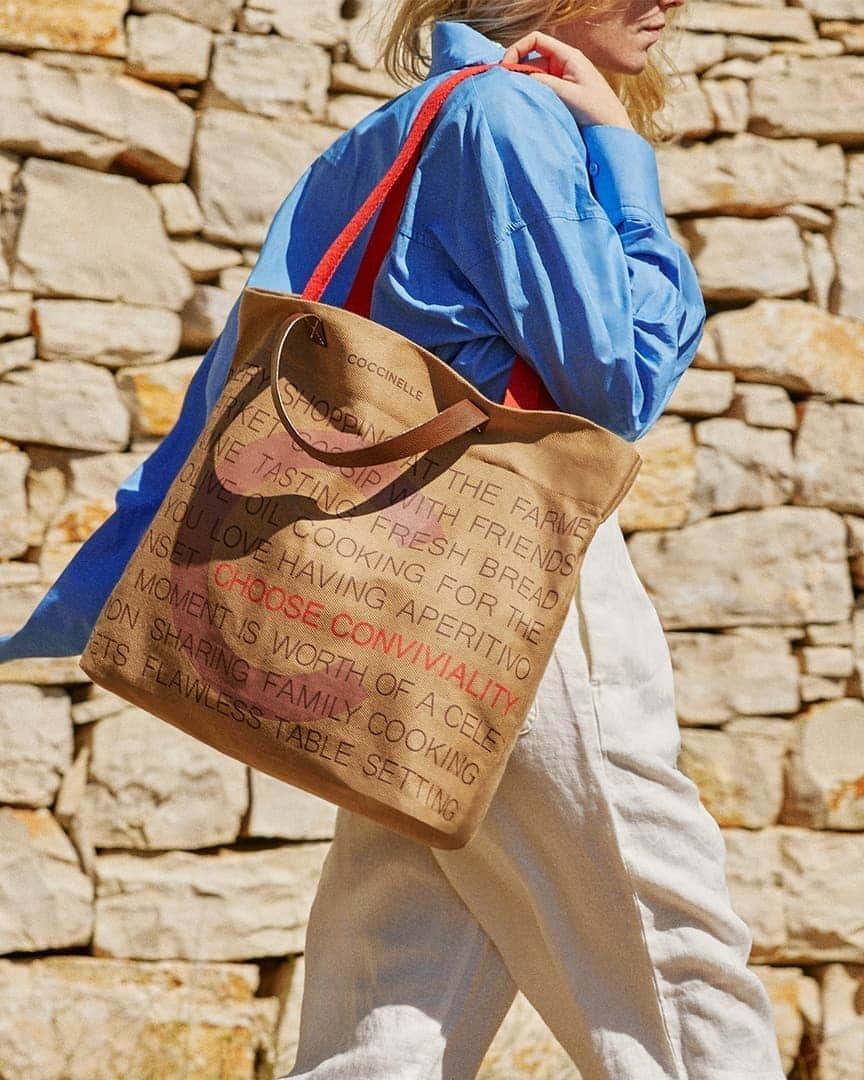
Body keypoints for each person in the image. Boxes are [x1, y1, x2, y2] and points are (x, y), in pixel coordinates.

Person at [0, 2, 786, 1078]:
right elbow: (617, 382)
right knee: (666, 944)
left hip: (402, 612)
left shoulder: (394, 127)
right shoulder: (508, 118)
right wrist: (623, 156)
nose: (671, 3)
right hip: (507, 594)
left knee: (391, 1000)